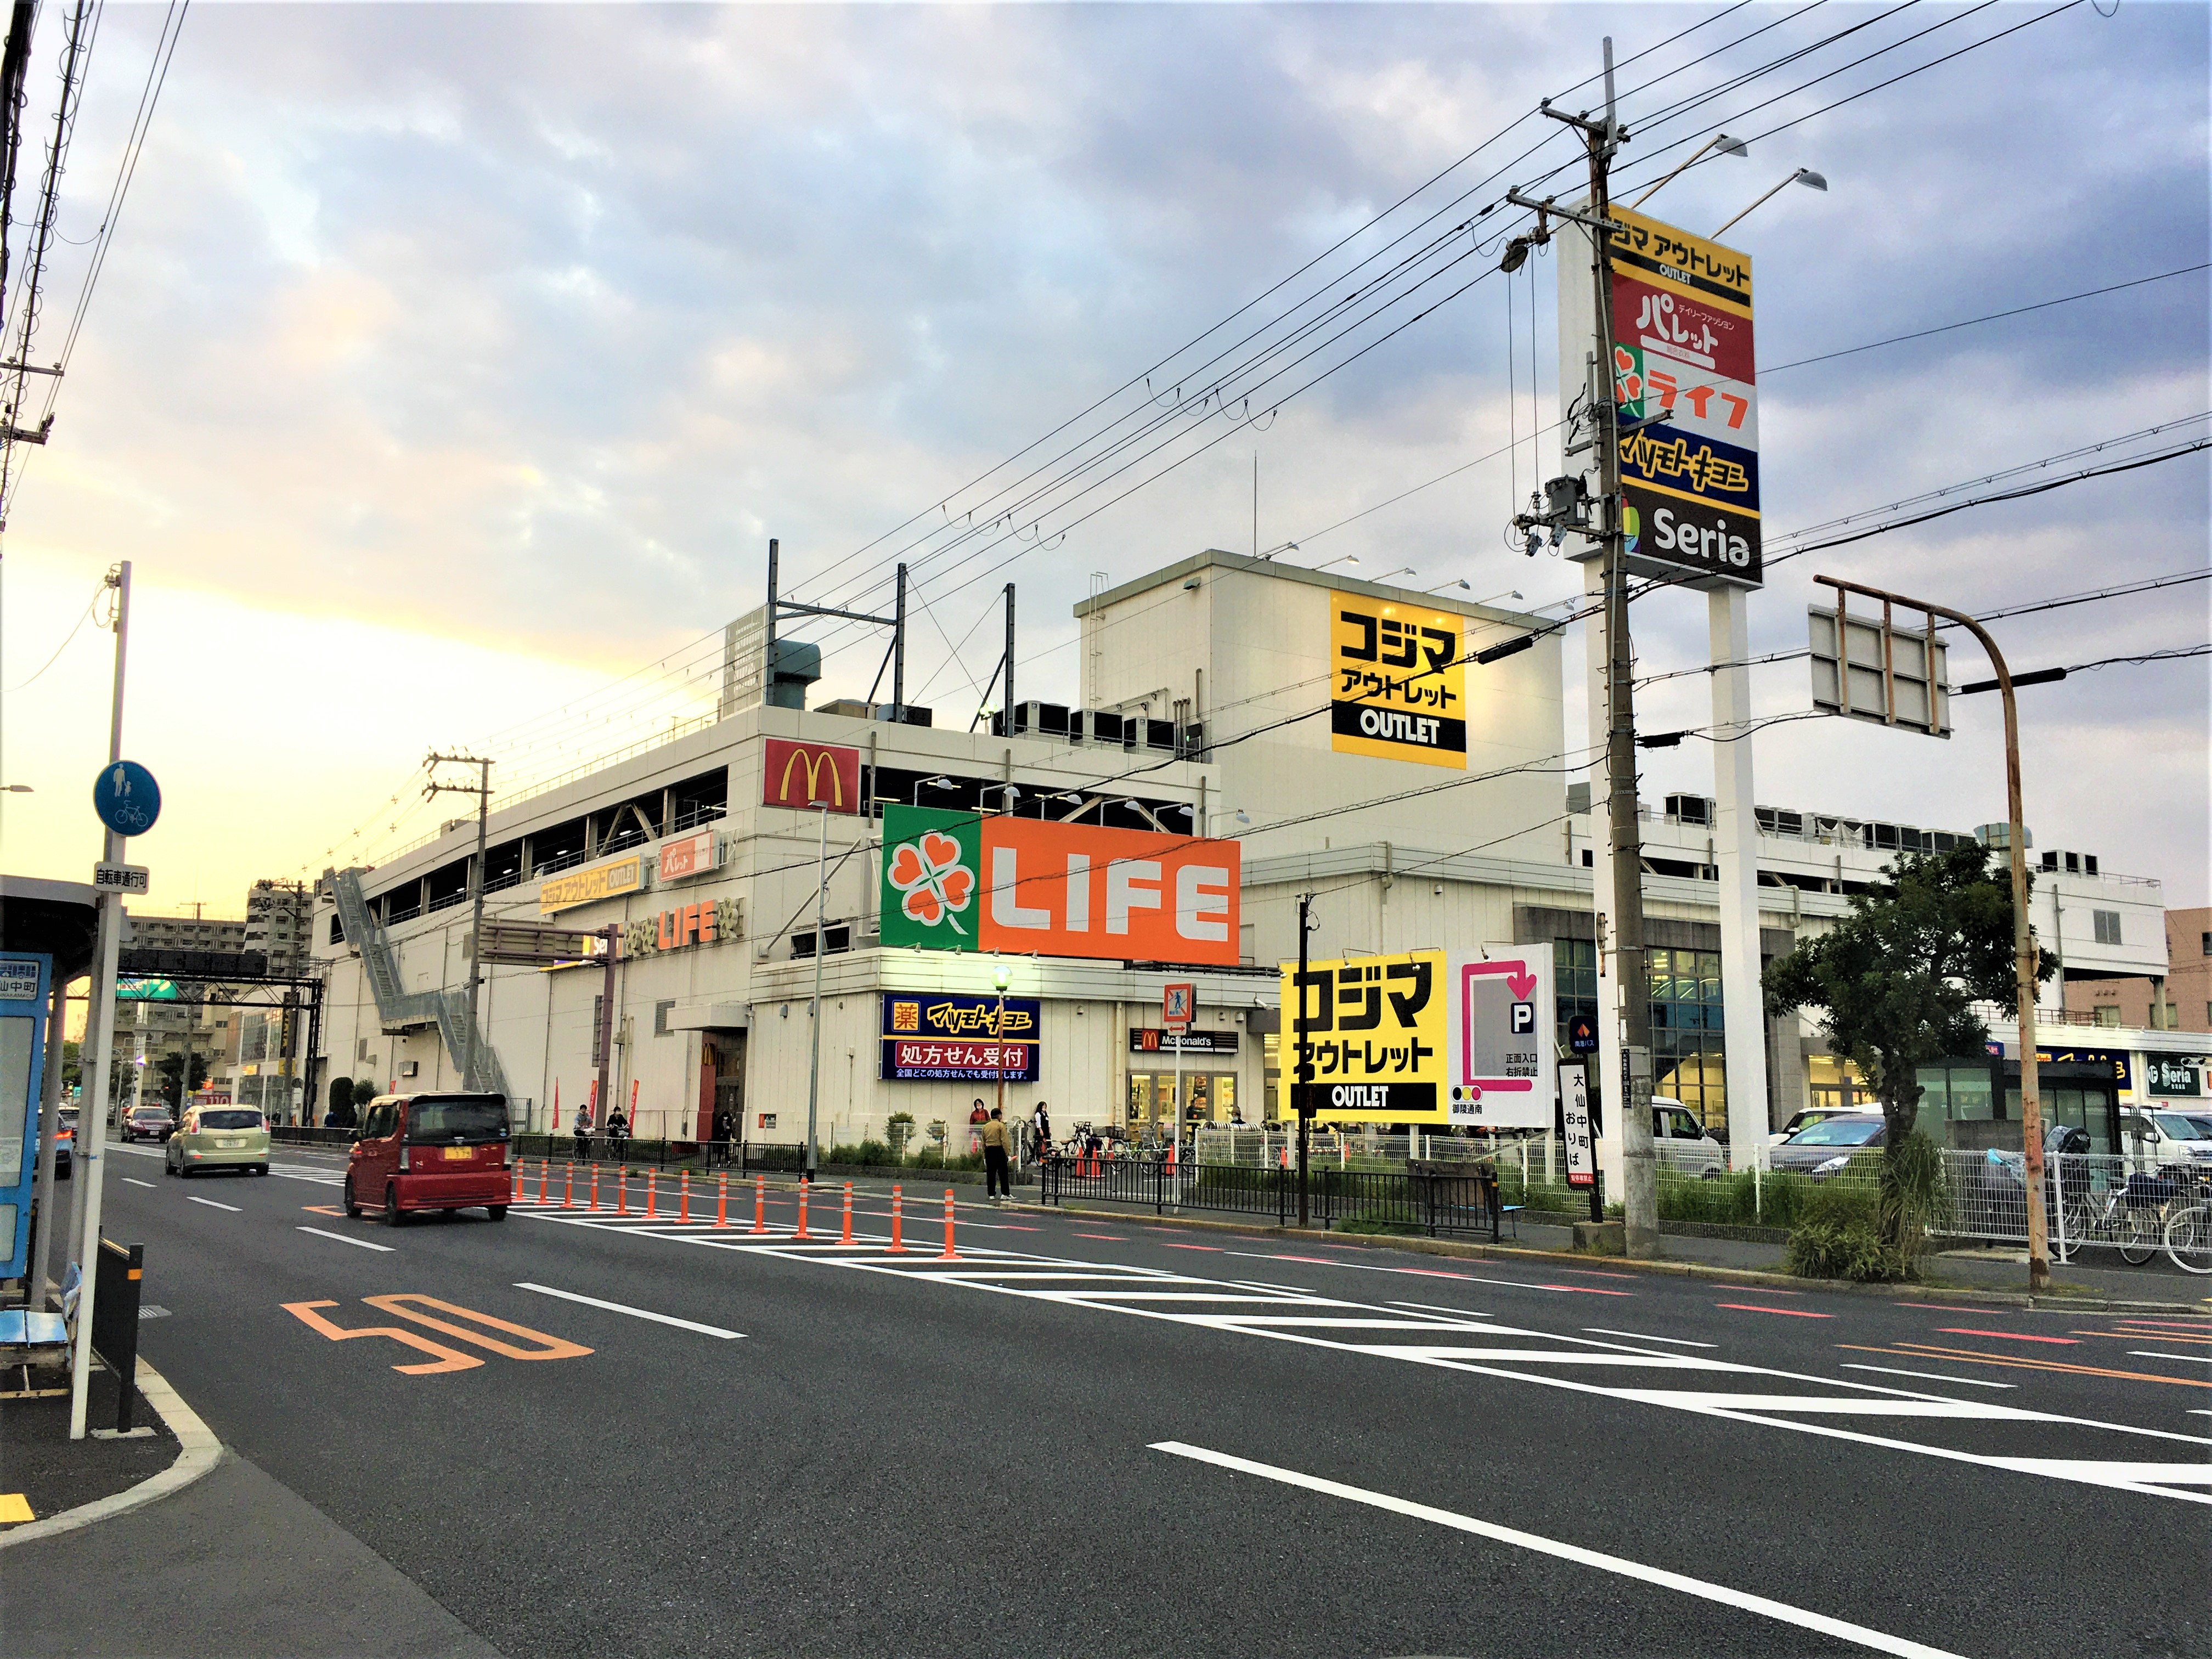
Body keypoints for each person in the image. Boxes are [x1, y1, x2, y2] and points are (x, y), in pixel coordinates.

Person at [979, 1106, 1013, 1201]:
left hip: (989, 1150)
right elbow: (1005, 1141)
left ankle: (991, 1194)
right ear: (999, 1116)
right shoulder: (1001, 1126)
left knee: (991, 1173)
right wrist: (1007, 1153)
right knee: (1003, 1173)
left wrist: (984, 1155)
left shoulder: (986, 1126)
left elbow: (983, 1142)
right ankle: (1005, 1193)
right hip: (999, 1150)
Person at [710, 1103, 735, 1168]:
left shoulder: (729, 1122)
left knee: (726, 1151)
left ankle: (728, 1161)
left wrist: (729, 1130)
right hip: (721, 1138)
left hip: (726, 1138)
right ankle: (719, 1163)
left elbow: (731, 1130)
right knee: (720, 1151)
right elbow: (717, 1129)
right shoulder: (720, 1121)